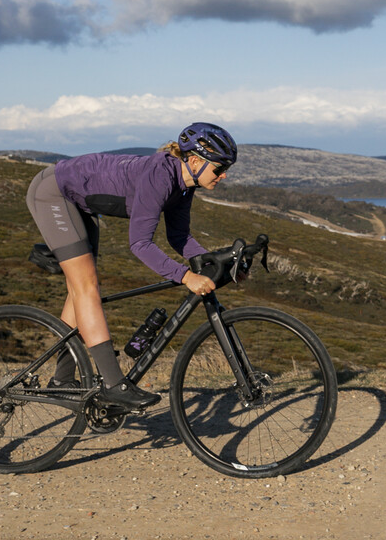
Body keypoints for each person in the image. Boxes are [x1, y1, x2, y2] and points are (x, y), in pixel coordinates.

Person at [24, 121, 238, 409]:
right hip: (54, 192)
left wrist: (216, 262)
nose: (223, 175)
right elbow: (139, 244)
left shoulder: (184, 186)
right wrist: (186, 276)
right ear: (196, 161)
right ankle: (113, 383)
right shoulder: (160, 176)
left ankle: (62, 380)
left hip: (80, 204)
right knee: (87, 287)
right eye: (219, 168)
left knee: (80, 290)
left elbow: (179, 237)